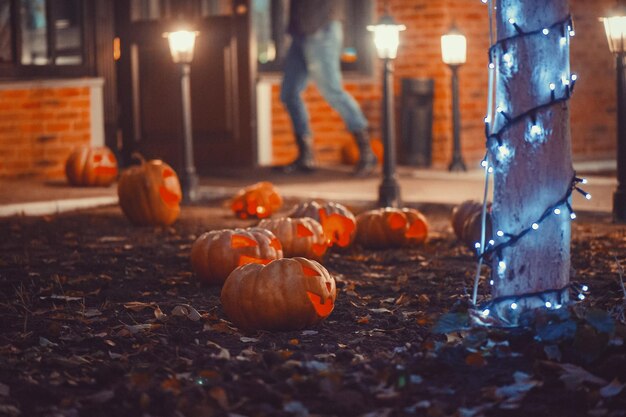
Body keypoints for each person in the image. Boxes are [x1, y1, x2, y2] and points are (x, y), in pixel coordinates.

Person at [277, 0, 377, 176]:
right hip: (299, 31)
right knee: (289, 92)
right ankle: (305, 156)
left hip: (322, 27)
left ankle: (367, 152)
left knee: (332, 90)